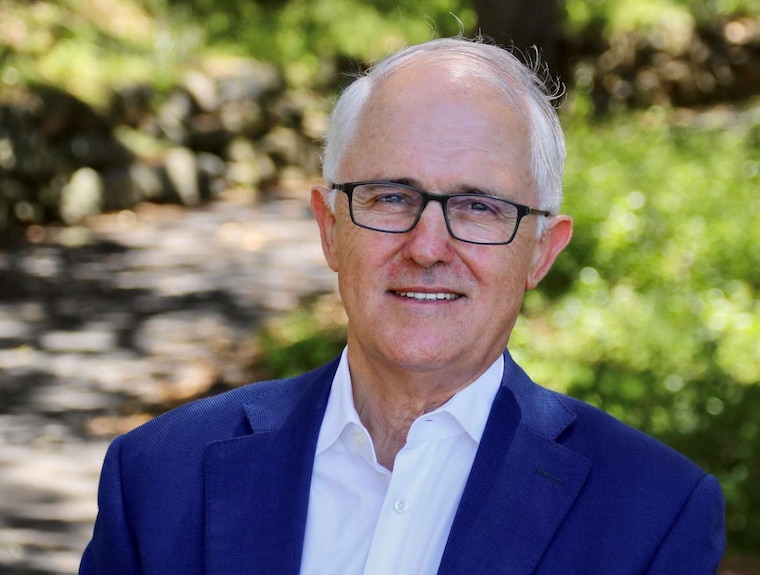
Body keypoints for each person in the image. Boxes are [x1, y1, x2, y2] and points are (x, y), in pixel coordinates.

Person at [80, 37, 725, 574]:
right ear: (330, 227)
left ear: (540, 253)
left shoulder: (653, 515)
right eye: (390, 196)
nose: (427, 246)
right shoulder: (158, 478)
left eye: (478, 206)